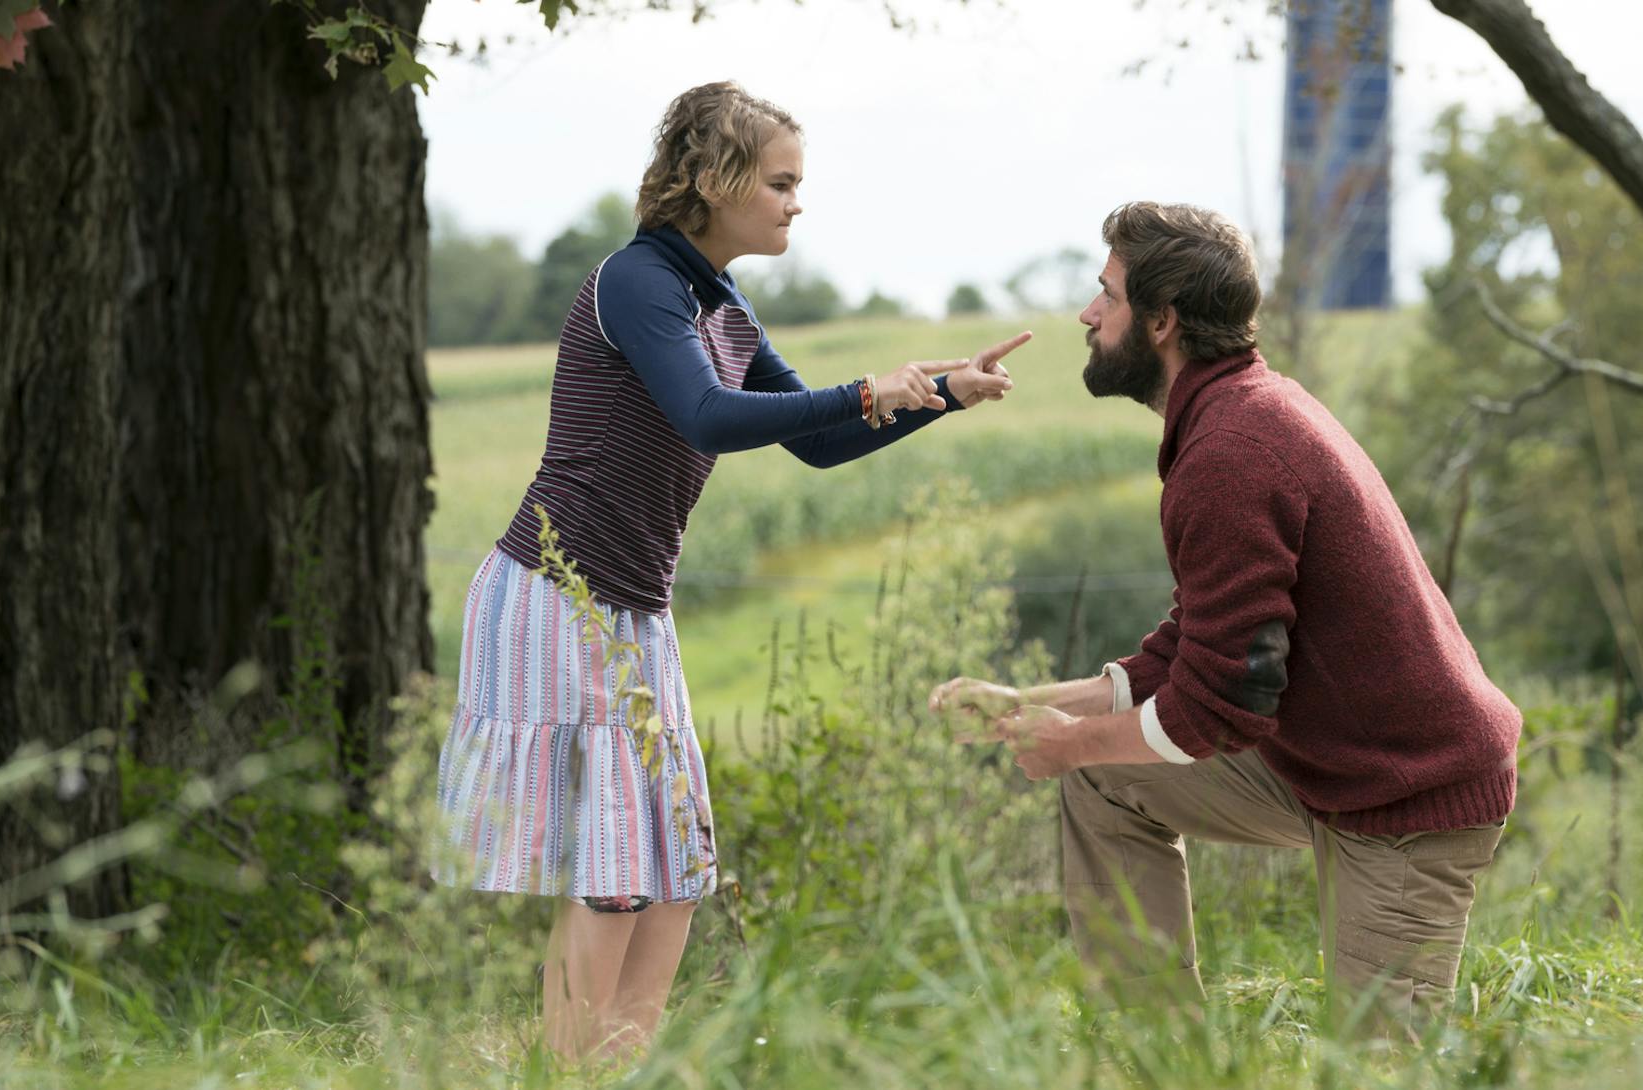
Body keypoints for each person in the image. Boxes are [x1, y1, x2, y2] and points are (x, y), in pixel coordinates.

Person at [434, 80, 1030, 1063]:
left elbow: (821, 444)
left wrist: (941, 396)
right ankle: (567, 1076)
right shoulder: (638, 281)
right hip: (557, 595)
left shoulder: (721, 298)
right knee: (619, 867)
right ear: (717, 179)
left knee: (673, 865)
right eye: (782, 182)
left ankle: (617, 1069)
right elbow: (706, 415)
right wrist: (863, 388)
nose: (798, 201)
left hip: (629, 608)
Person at [930, 201, 1519, 1031]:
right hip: (1329, 764)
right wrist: (1034, 709)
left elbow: (1219, 706)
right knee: (1104, 777)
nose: (1087, 314)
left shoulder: (1234, 450)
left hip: (1409, 794)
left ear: (1163, 321)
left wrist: (1069, 743)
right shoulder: (1234, 415)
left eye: (1109, 295)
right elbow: (1190, 651)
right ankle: (1164, 1058)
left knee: (1377, 1067)